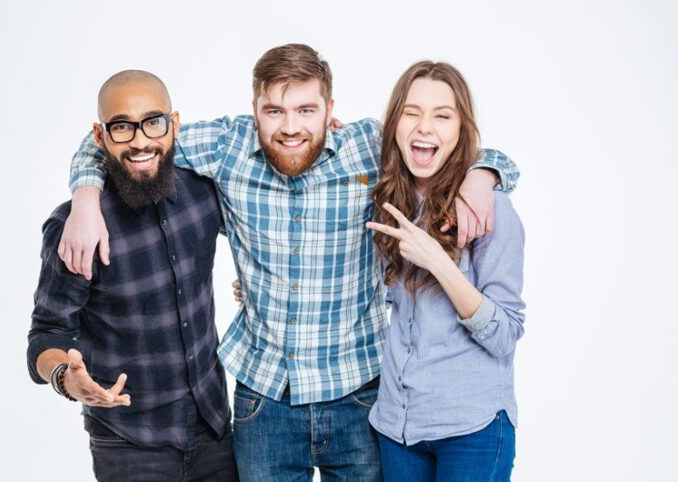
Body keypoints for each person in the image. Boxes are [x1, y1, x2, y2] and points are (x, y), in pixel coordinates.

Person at [59, 45, 519, 481]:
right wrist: (85, 195)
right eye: (274, 110)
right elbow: (128, 133)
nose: (290, 127)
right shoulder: (227, 145)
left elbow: (449, 144)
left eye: (306, 110)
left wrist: (484, 174)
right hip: (266, 402)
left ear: (330, 109)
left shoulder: (369, 146)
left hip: (359, 394)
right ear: (253, 109)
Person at [26, 70, 238, 482]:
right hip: (128, 444)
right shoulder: (76, 228)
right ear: (100, 136)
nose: (140, 141)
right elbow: (45, 335)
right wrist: (65, 378)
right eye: (122, 127)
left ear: (174, 125)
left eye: (153, 123)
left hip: (214, 430)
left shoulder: (204, 193)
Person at [366, 60, 525, 482]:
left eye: (442, 115)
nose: (424, 127)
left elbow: (506, 332)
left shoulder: (490, 209)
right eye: (412, 112)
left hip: (471, 428)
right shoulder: (385, 199)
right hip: (396, 426)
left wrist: (439, 261)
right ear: (394, 122)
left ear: (460, 129)